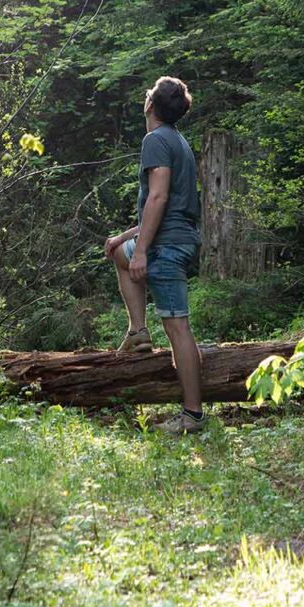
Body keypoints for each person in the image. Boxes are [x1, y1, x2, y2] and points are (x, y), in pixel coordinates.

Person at [104, 76, 204, 434]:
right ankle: (138, 331)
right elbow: (164, 205)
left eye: (147, 95)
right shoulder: (176, 141)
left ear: (150, 105)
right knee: (118, 253)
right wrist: (126, 238)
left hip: (168, 246)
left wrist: (143, 250)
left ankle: (192, 416)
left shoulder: (156, 140)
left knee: (178, 328)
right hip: (172, 237)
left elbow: (159, 198)